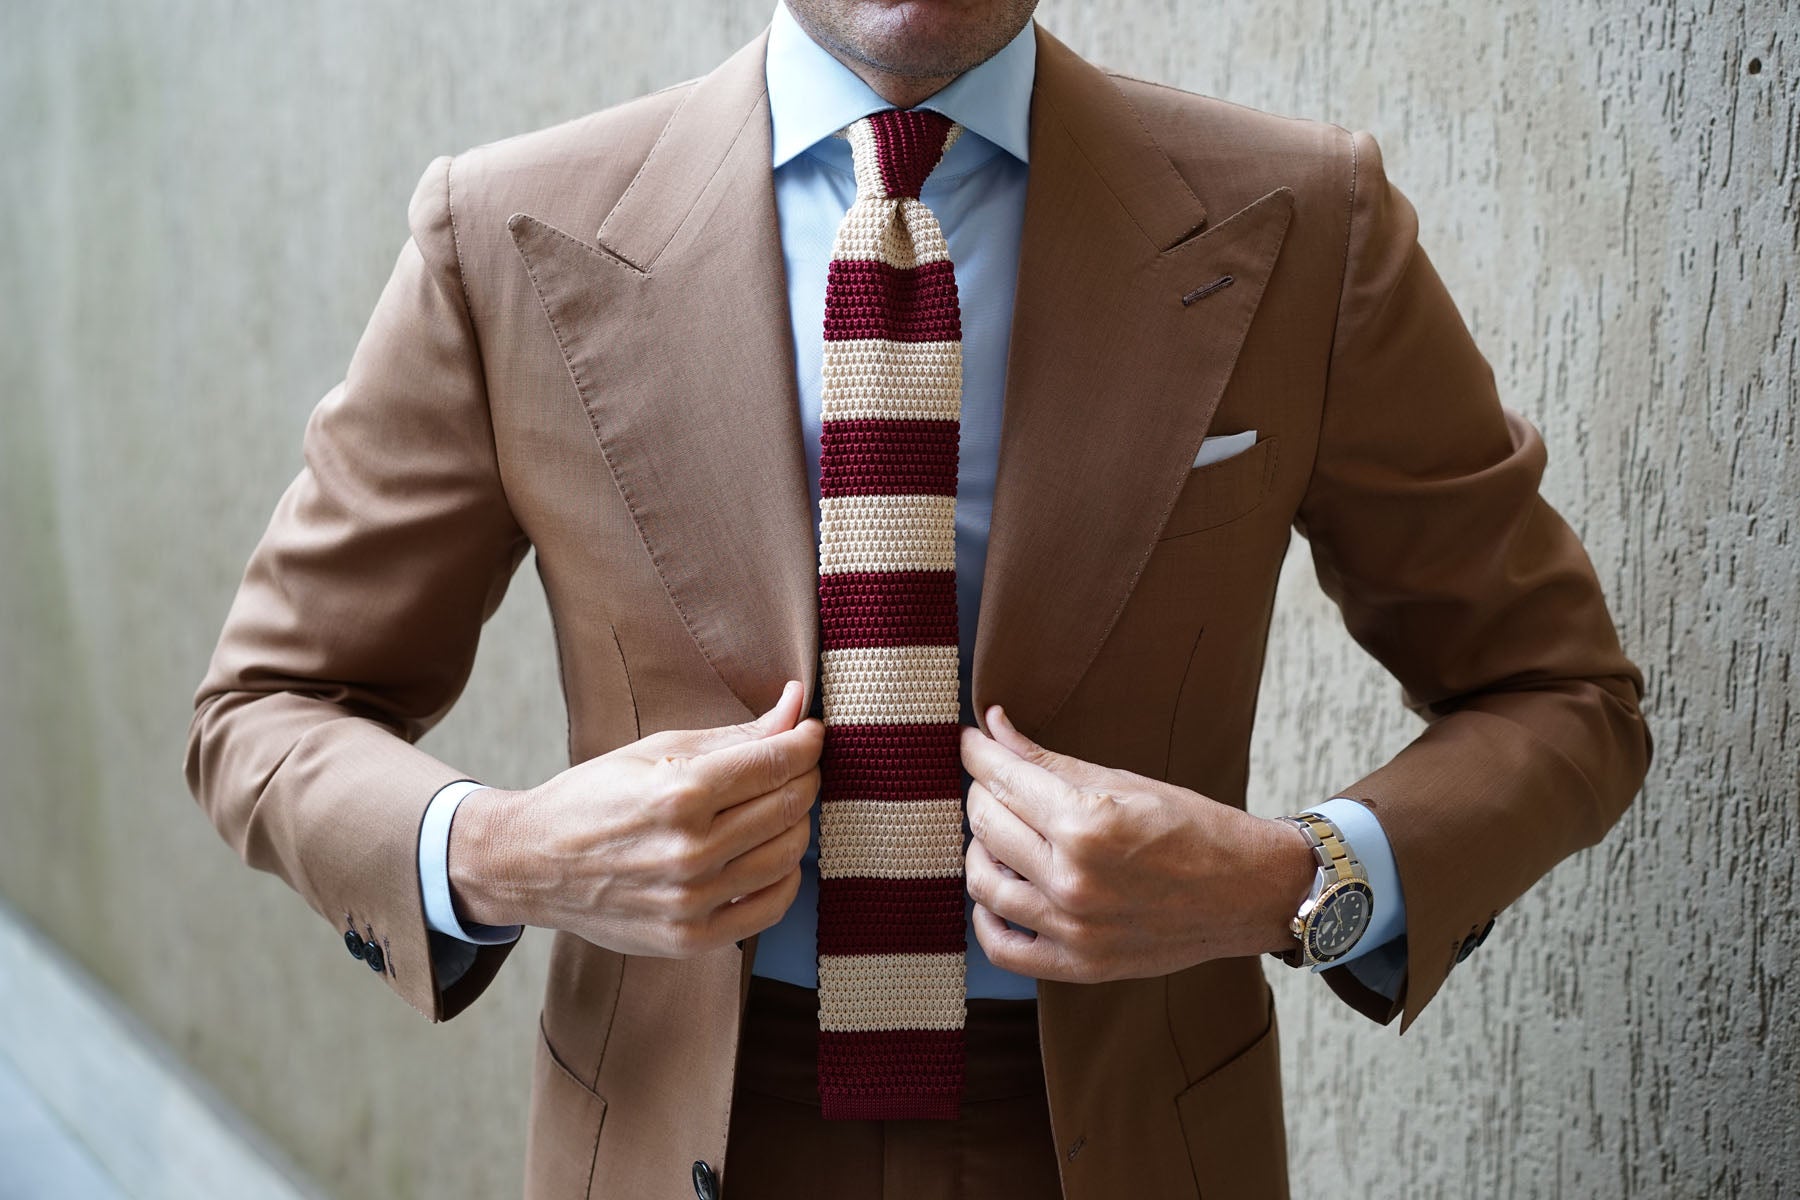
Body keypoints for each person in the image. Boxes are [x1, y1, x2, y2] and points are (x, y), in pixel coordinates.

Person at [184, 0, 1652, 1196]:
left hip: (1124, 1139)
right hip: (674, 1124)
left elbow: (1562, 698)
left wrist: (1287, 881)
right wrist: (502, 853)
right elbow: (267, 710)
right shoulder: (500, 234)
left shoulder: (1305, 220)